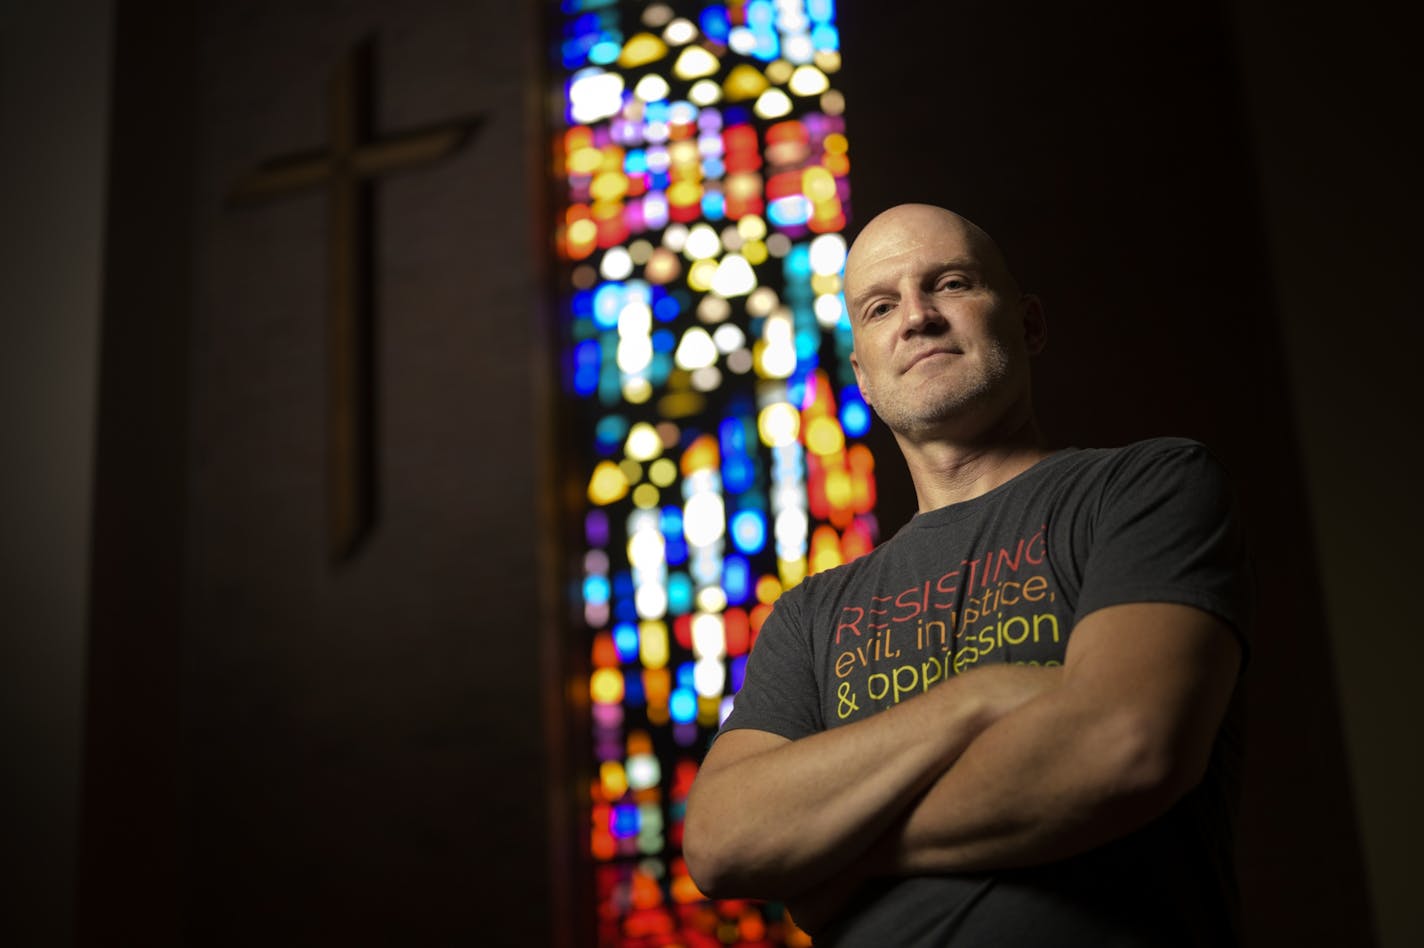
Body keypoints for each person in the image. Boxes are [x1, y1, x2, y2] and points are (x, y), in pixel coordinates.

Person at [682, 204, 1250, 946]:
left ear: (1030, 323)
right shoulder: (810, 615)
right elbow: (722, 840)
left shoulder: (1146, 487)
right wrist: (979, 700)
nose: (916, 318)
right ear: (863, 372)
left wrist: (829, 856)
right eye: (881, 306)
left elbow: (1126, 743)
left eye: (950, 284)